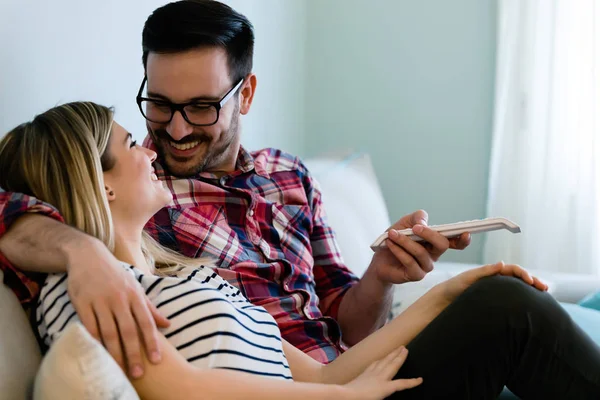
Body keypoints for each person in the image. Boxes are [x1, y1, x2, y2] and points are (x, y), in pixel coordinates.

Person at [0, 1, 599, 398]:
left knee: (512, 301)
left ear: (247, 93)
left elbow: (343, 326)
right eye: (158, 106)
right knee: (510, 311)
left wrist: (389, 278)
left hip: (340, 369)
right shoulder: (141, 214)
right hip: (331, 388)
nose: (174, 132)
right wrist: (81, 252)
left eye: (202, 108)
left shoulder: (288, 179)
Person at [0, 101, 424, 400]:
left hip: (337, 379)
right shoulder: (86, 287)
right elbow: (180, 389)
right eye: (132, 144)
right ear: (100, 183)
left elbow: (324, 374)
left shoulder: (192, 273)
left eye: (202, 106)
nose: (154, 148)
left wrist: (444, 293)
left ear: (244, 96)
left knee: (481, 300)